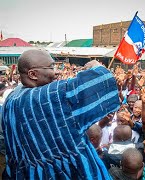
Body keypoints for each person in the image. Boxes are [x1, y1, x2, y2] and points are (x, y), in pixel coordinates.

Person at [1, 50, 120, 179]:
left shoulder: (13, 98)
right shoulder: (49, 97)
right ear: (33, 74)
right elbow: (101, 81)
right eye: (51, 67)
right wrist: (97, 66)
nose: (57, 71)